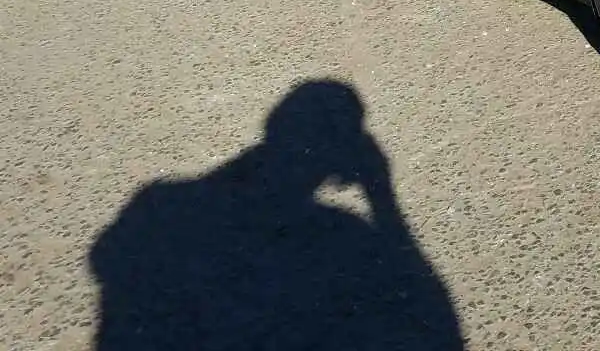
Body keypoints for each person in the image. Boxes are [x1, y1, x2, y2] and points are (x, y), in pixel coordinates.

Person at [89, 80, 463, 350]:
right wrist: (381, 194)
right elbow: (431, 323)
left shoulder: (158, 204)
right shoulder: (344, 233)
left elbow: (105, 260)